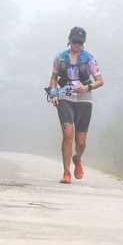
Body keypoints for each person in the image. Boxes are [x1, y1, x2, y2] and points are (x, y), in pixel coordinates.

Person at [48, 26, 103, 184]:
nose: (77, 44)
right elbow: (54, 77)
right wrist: (54, 93)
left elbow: (100, 81)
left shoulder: (89, 58)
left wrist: (87, 87)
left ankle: (77, 159)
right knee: (67, 135)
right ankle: (66, 172)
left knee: (80, 142)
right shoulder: (60, 57)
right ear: (69, 39)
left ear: (83, 42)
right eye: (74, 41)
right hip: (65, 98)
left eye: (80, 42)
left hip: (84, 100)